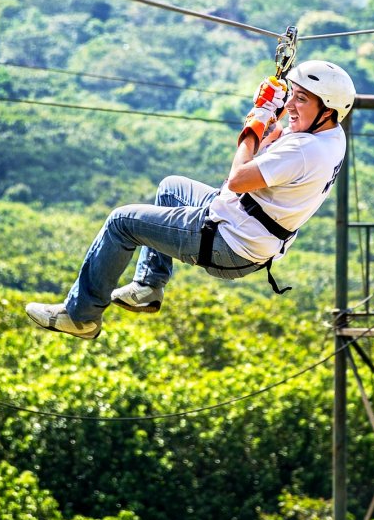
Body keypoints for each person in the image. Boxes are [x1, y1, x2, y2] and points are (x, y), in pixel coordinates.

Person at [25, 60, 355, 339]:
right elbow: (278, 139)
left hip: (229, 242)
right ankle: (148, 285)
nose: (293, 107)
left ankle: (81, 316)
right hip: (250, 228)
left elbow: (238, 178)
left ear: (326, 110)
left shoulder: (304, 151)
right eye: (293, 97)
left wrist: (258, 117)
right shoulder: (330, 135)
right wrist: (276, 111)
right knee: (172, 188)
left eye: (302, 100)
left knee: (121, 222)